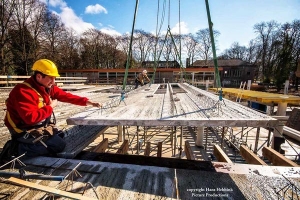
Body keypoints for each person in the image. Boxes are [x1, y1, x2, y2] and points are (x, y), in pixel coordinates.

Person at [1, 59, 102, 159]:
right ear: (39, 76)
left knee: (60, 136)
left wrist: (88, 102)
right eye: (51, 78)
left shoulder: (47, 87)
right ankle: (16, 148)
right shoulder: (23, 91)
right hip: (22, 130)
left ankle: (35, 144)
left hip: (36, 125)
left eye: (54, 78)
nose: (54, 82)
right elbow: (30, 118)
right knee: (58, 146)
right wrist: (50, 107)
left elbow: (66, 96)